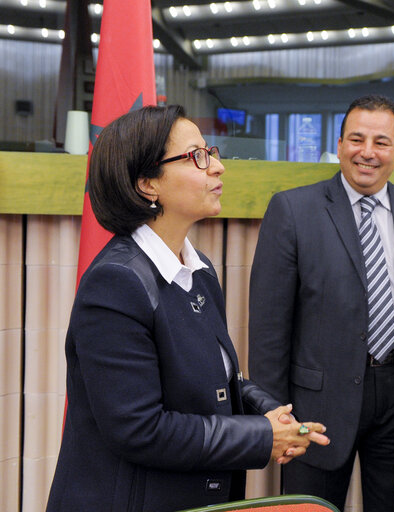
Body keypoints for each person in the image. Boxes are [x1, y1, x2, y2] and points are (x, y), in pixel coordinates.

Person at [46, 105, 329, 512]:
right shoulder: (115, 283)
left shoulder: (199, 270)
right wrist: (260, 438)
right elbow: (140, 429)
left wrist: (270, 414)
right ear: (147, 184)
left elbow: (218, 381)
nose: (218, 167)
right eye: (197, 156)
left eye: (210, 152)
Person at [248, 94, 394, 512]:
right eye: (357, 139)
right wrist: (275, 411)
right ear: (339, 143)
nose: (368, 152)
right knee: (307, 507)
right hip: (316, 402)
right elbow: (268, 324)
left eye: (381, 142)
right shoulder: (293, 210)